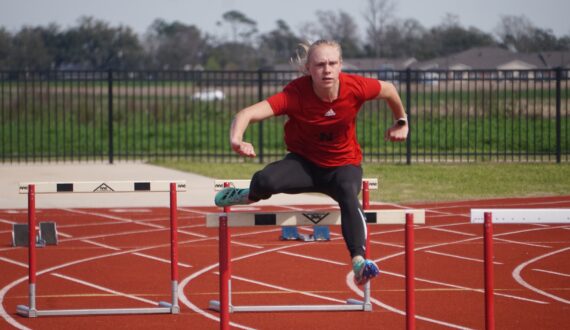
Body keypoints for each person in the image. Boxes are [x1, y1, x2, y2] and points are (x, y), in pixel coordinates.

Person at [214, 39, 408, 286]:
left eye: (331, 63)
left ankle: (359, 262)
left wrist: (401, 121)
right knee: (266, 180)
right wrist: (236, 139)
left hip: (342, 166)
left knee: (349, 194)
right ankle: (248, 195)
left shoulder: (356, 87)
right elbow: (246, 114)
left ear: (340, 66)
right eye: (319, 65)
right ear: (308, 69)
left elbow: (389, 89)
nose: (326, 70)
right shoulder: (295, 94)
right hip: (304, 164)